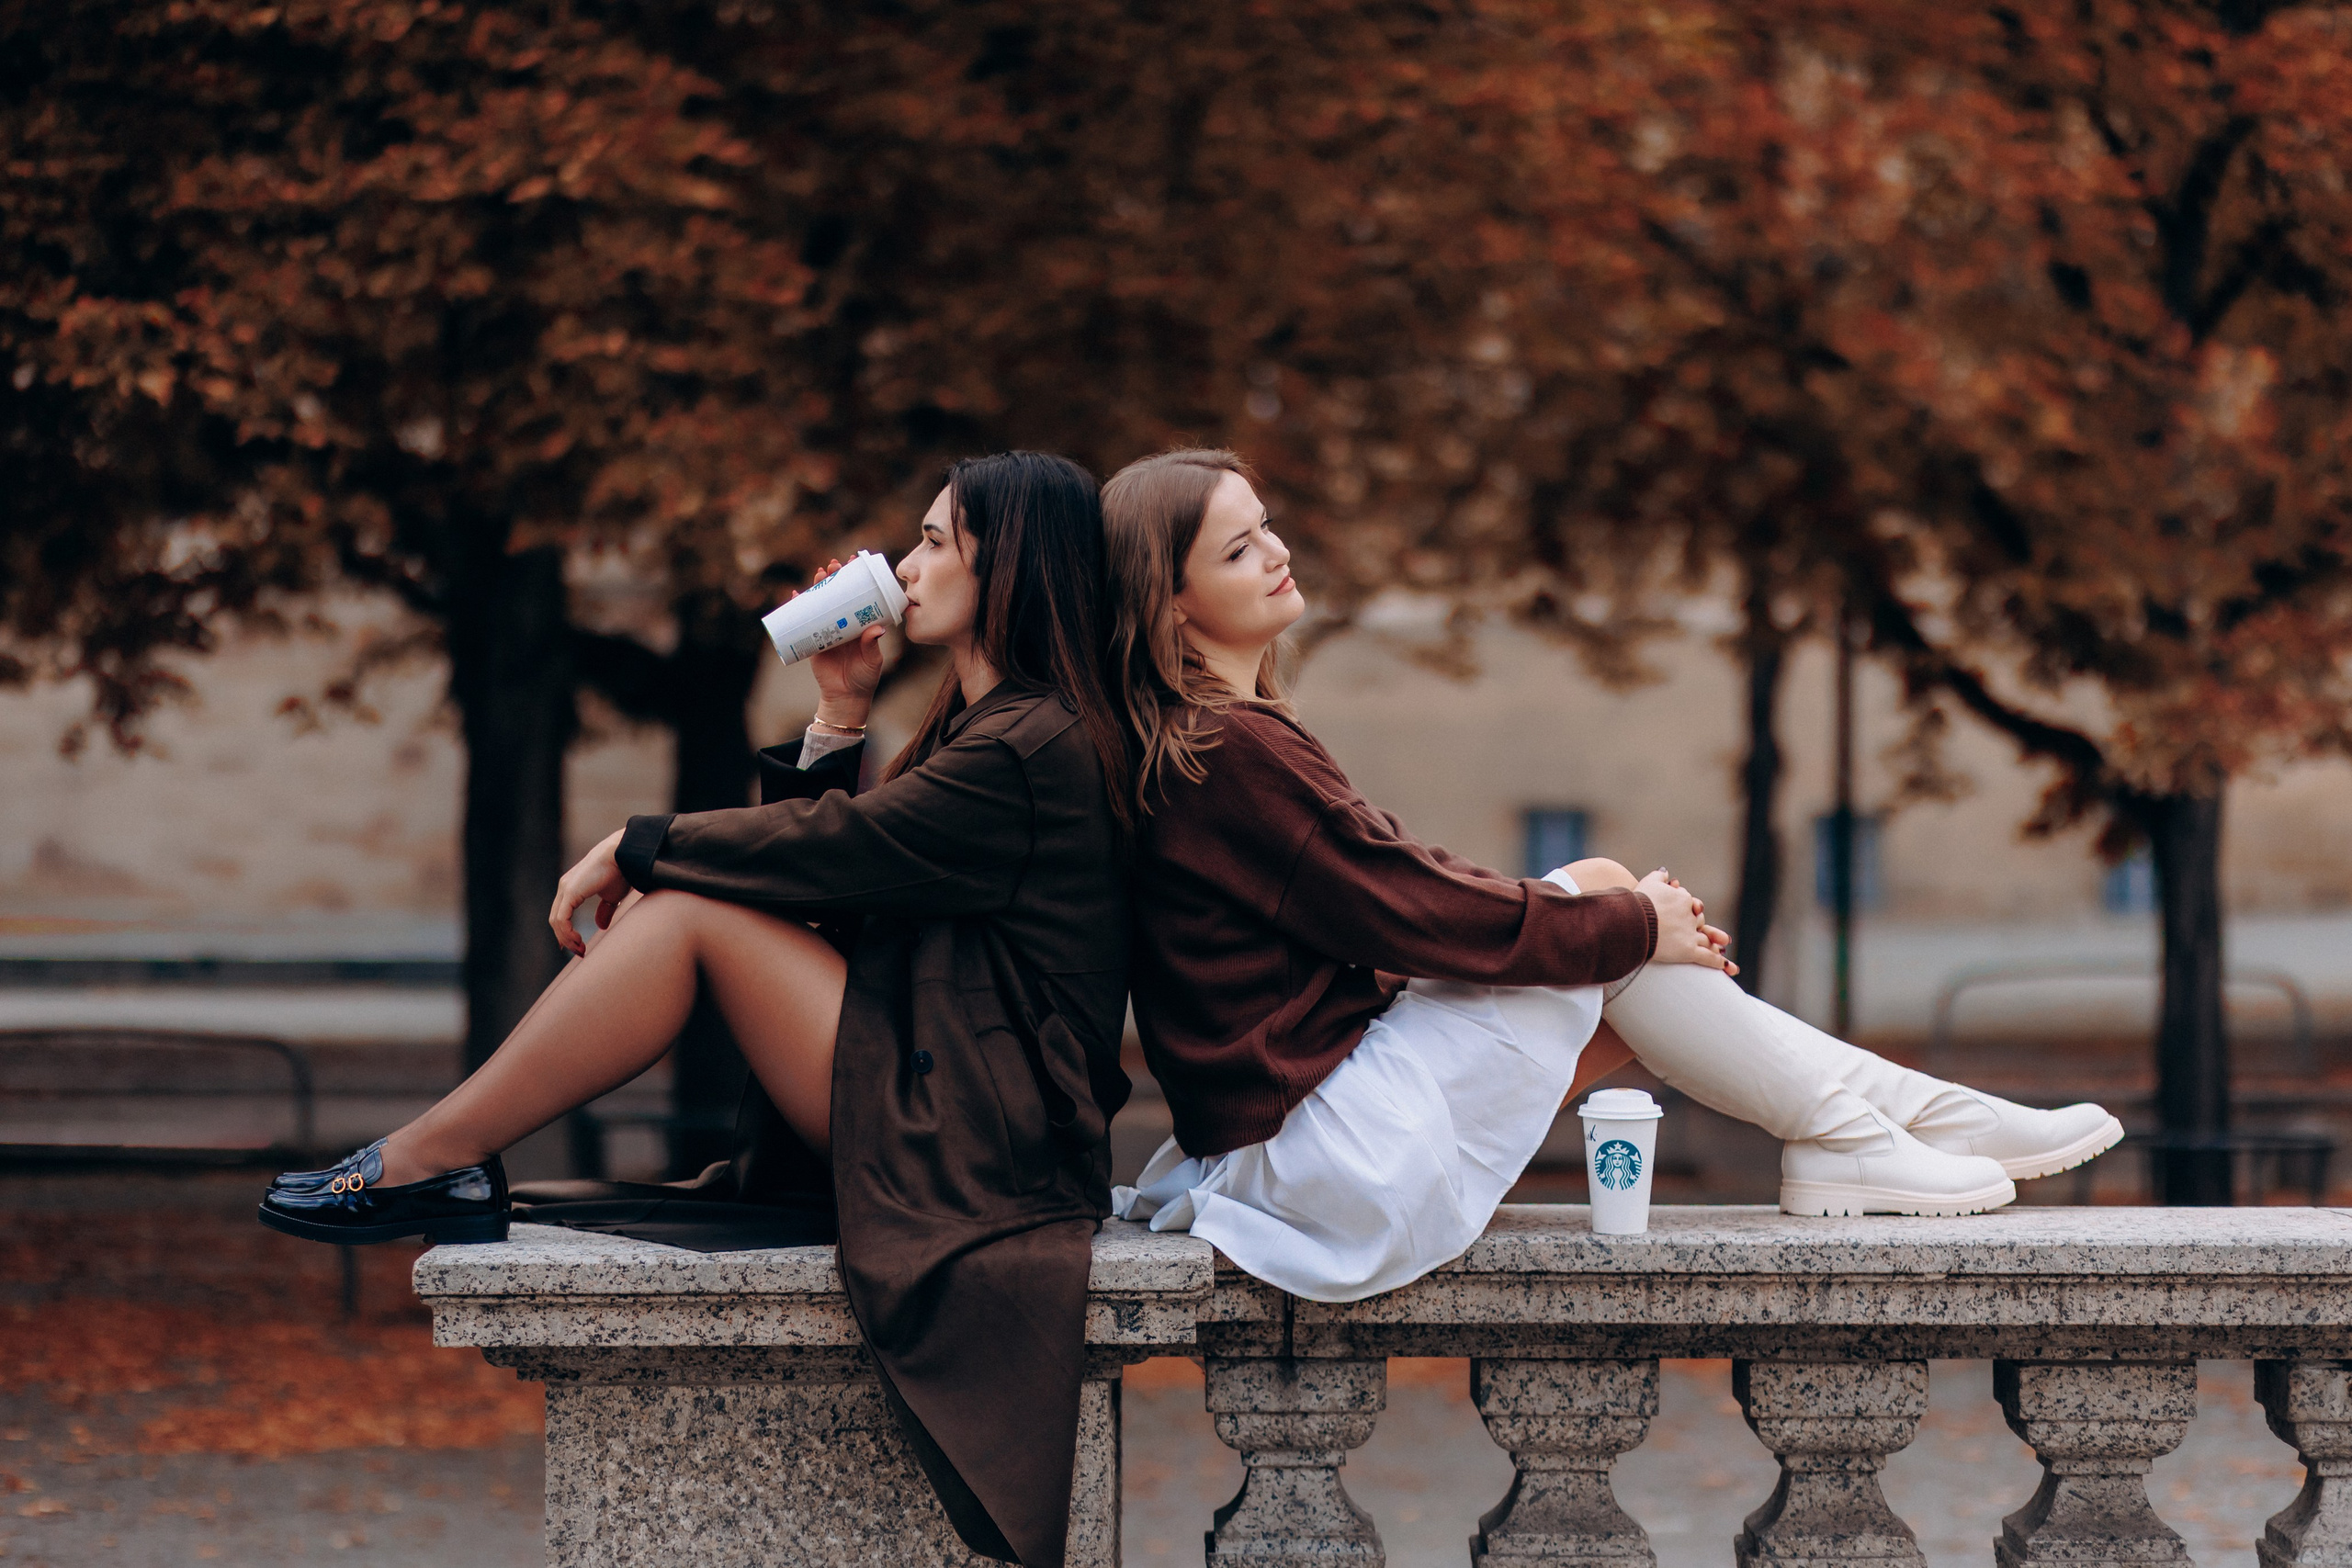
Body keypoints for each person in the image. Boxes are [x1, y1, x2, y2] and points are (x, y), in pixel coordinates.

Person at [260, 451, 1136, 1568]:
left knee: (681, 918)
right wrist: (842, 708)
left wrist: (640, 844)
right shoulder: (997, 727)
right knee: (691, 913)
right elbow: (847, 883)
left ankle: (427, 1158)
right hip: (955, 1088)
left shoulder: (1033, 741)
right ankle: (434, 1158)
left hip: (982, 1130)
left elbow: (845, 853)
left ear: (1006, 566)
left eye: (933, 542)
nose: (905, 567)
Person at [1097, 447, 2120, 1304]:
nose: (1275, 552)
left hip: (1297, 1148)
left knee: (1614, 932)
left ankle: (1883, 1126)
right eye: (1238, 550)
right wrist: (1631, 925)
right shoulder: (1224, 747)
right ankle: (1886, 1127)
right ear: (1173, 607)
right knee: (1611, 915)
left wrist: (1626, 923)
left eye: (1265, 526)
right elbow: (1403, 908)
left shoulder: (1218, 737)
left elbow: (1403, 882)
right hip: (1317, 1160)